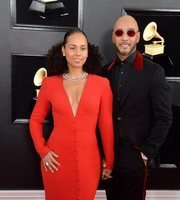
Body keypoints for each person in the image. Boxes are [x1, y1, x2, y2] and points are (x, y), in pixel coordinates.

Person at [29, 28, 114, 200]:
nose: (78, 53)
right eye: (72, 47)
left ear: (88, 52)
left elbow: (106, 126)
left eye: (83, 48)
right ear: (63, 50)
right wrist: (42, 151)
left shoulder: (102, 84)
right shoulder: (49, 84)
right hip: (55, 162)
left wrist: (110, 161)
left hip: (89, 161)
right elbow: (36, 120)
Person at [102, 15, 173, 200]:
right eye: (119, 32)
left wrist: (147, 152)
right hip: (109, 156)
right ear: (113, 37)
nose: (124, 37)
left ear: (138, 36)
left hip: (136, 157)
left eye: (130, 32)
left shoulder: (154, 72)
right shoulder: (104, 72)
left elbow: (164, 117)